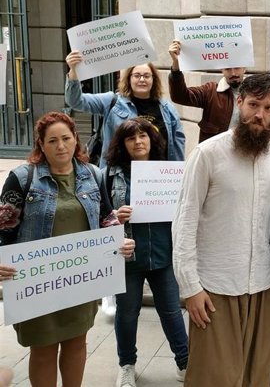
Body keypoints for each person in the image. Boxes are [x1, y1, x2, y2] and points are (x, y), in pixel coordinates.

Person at [172, 73, 270, 387]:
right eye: (253, 104)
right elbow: (184, 222)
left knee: (256, 376)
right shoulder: (207, 154)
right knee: (215, 378)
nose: (259, 115)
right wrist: (190, 288)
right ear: (239, 103)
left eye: (268, 108)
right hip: (215, 288)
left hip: (264, 284)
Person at [0, 112, 135, 387]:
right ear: (41, 144)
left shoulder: (92, 175)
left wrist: (120, 242)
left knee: (76, 343)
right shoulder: (23, 178)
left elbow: (105, 217)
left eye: (66, 138)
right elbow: (4, 226)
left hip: (78, 281)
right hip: (36, 283)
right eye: (52, 141)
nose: (61, 146)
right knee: (43, 348)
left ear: (76, 139)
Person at [65, 53, 185, 318]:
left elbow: (177, 142)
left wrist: (177, 177)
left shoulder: (166, 108)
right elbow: (76, 101)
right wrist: (74, 71)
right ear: (128, 78)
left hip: (157, 180)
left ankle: (147, 282)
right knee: (117, 229)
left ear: (154, 80)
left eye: (147, 75)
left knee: (148, 234)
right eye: (137, 75)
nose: (142, 79)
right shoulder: (113, 102)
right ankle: (112, 290)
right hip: (120, 177)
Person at [104, 118, 189, 387]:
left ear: (152, 140)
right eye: (131, 138)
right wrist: (116, 216)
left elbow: (185, 211)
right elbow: (100, 213)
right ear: (122, 144)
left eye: (142, 136)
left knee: (172, 312)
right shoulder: (110, 174)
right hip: (128, 257)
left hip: (163, 254)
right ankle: (127, 365)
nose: (138, 142)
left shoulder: (169, 172)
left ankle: (185, 363)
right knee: (127, 314)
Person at [168, 40, 246, 142]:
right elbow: (180, 96)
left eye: (237, 67)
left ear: (244, 68)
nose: (233, 73)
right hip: (216, 155)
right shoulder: (210, 92)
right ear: (221, 69)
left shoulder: (257, 93)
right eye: (227, 68)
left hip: (246, 154)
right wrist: (176, 65)